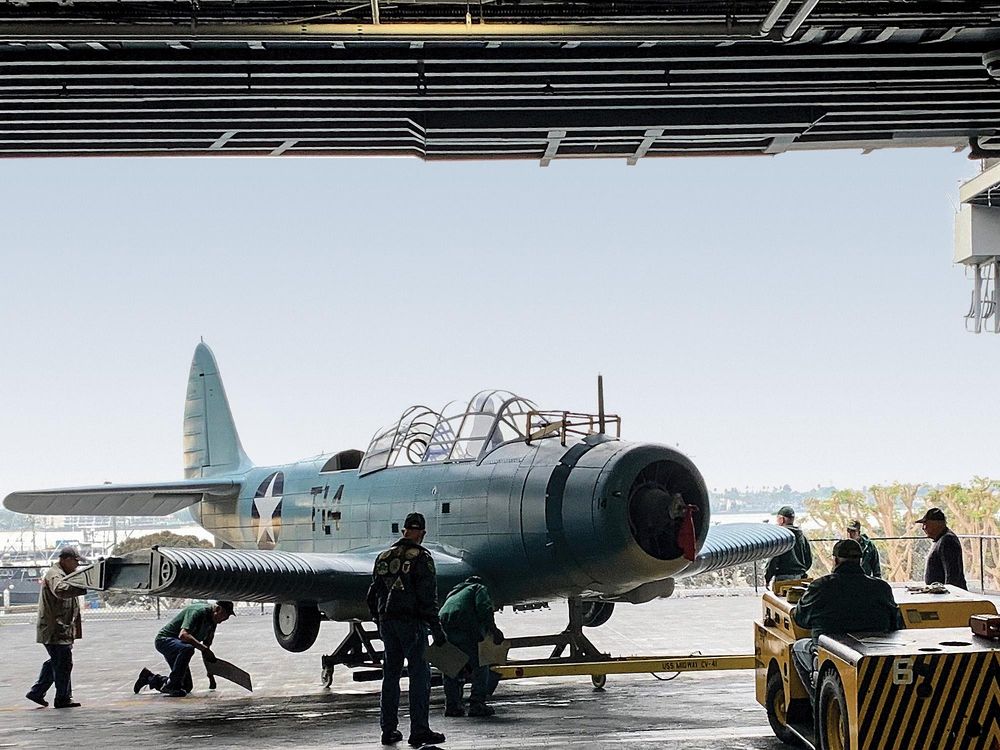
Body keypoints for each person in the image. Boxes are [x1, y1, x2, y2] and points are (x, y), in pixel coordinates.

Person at [367, 512, 447, 748]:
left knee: (390, 675)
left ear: (404, 531)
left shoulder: (383, 557)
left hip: (387, 624)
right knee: (419, 676)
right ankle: (419, 730)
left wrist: (379, 619)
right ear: (421, 533)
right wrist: (437, 629)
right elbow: (427, 598)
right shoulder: (422, 558)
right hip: (412, 624)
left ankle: (388, 730)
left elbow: (372, 595)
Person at [790, 539, 898, 702]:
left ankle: (817, 703)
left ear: (835, 560)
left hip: (830, 652)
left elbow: (800, 619)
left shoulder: (820, 587)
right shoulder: (881, 587)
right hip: (873, 652)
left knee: (797, 647)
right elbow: (896, 623)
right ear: (860, 560)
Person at [26, 546, 87, 708]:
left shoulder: (64, 574)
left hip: (61, 628)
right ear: (66, 559)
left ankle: (37, 692)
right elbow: (60, 590)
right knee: (63, 662)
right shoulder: (55, 575)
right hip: (54, 629)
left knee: (57, 661)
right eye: (75, 561)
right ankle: (62, 698)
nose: (77, 566)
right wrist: (84, 587)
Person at [133, 600, 235, 697]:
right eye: (225, 615)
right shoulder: (198, 612)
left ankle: (149, 678)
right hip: (165, 641)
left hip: (180, 647)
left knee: (186, 687)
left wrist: (211, 676)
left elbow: (206, 651)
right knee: (188, 648)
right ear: (218, 609)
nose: (225, 619)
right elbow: (183, 635)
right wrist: (204, 649)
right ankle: (172, 685)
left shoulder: (213, 622)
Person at [438, 575, 503, 718]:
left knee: (451, 668)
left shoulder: (454, 592)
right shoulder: (479, 588)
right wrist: (494, 630)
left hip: (445, 626)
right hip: (465, 626)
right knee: (481, 665)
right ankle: (477, 704)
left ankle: (452, 706)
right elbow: (484, 608)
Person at [916, 507, 968, 590]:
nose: (923, 528)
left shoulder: (947, 540)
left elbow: (952, 574)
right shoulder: (941, 540)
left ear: (937, 523)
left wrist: (949, 595)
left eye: (926, 524)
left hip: (948, 596)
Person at [764, 506, 813, 587]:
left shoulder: (780, 536)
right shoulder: (802, 537)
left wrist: (767, 578)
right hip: (800, 578)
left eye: (777, 518)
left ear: (781, 519)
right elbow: (809, 559)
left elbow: (773, 560)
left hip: (783, 580)